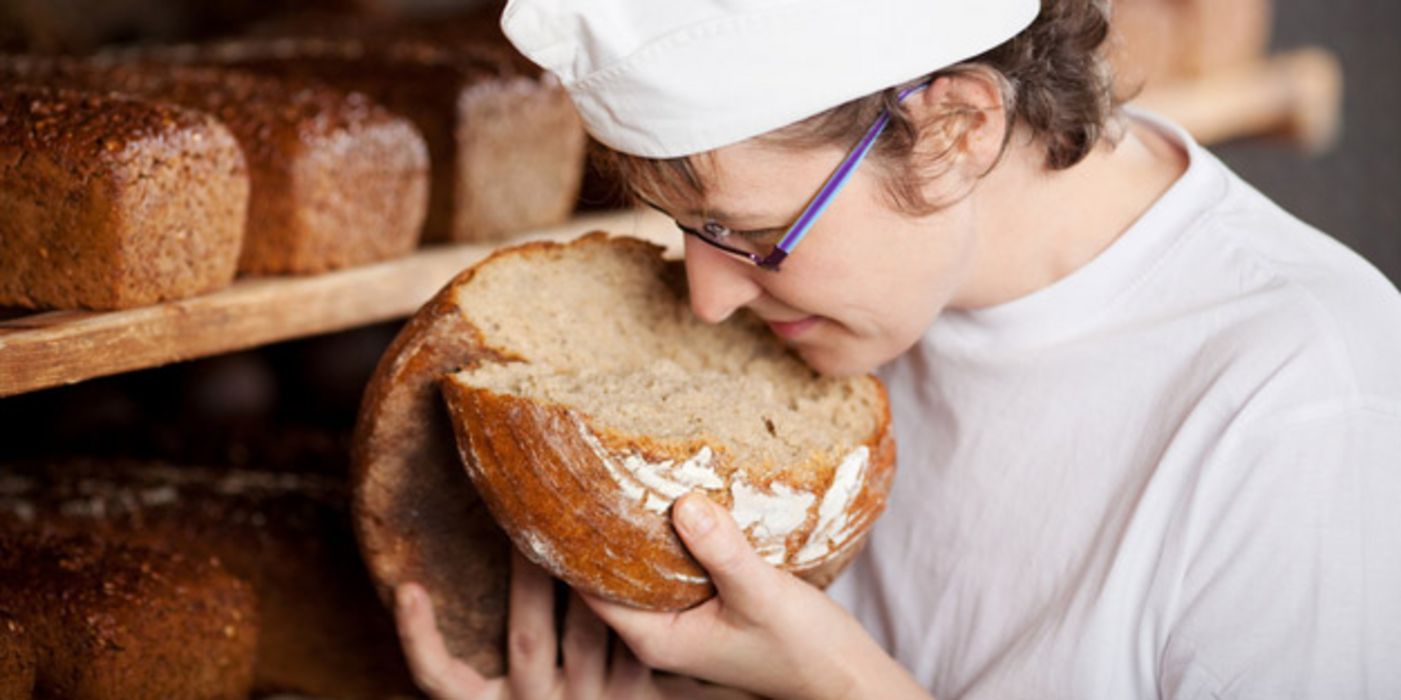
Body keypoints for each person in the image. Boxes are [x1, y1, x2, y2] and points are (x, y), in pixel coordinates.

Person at [392, 0, 1401, 697]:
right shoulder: (846, 315)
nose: (704, 301)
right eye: (685, 231)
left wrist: (841, 682)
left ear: (958, 130)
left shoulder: (1305, 399)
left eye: (753, 235)